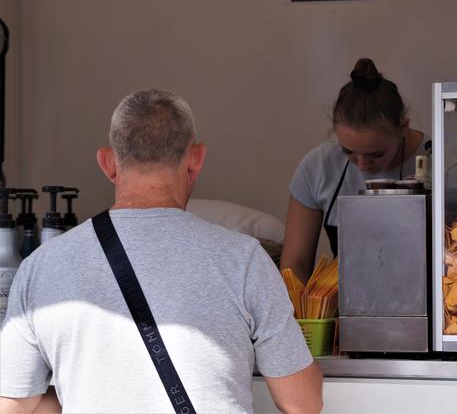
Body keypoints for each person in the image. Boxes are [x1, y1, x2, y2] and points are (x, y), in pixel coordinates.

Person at [0, 89, 322, 413]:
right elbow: (303, 403)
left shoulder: (41, 267)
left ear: (107, 163)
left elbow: (12, 405)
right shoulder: (245, 261)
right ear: (196, 159)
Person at [281, 58, 431, 282]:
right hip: (346, 306)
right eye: (348, 151)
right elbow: (296, 264)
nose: (362, 165)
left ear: (403, 128)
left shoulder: (440, 164)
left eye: (376, 154)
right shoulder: (318, 167)